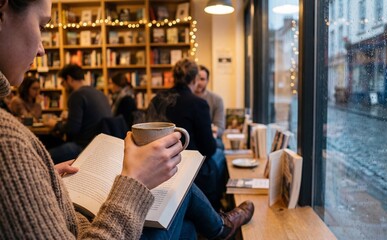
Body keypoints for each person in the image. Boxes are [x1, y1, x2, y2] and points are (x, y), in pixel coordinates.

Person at [0, 0, 254, 238]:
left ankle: (220, 227)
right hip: (101, 226)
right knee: (185, 185)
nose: (43, 49)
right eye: (42, 25)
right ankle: (222, 227)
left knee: (187, 225)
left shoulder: (11, 140)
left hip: (83, 217)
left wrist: (43, 177)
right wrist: (134, 182)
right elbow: (208, 148)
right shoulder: (7, 141)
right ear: (3, 9)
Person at [147, 58, 225, 210]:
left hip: (158, 167)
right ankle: (217, 206)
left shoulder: (157, 100)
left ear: (174, 76)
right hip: (191, 169)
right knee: (219, 155)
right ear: (195, 79)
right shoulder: (198, 104)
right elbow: (208, 149)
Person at [47, 64, 112, 164]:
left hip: (84, 147)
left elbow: (72, 130)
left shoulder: (77, 95)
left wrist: (55, 124)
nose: (63, 86)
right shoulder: (99, 93)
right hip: (102, 146)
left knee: (43, 156)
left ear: (68, 79)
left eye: (62, 82)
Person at [195, 65, 225, 140]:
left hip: (210, 138)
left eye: (202, 79)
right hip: (191, 139)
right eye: (197, 79)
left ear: (207, 80)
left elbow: (220, 128)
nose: (199, 82)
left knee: (219, 148)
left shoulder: (217, 100)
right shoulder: (186, 99)